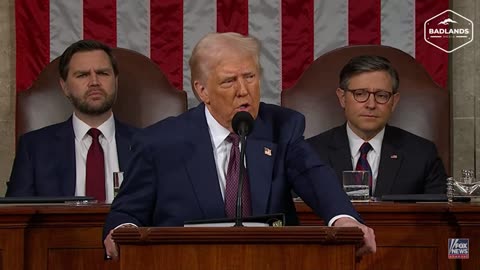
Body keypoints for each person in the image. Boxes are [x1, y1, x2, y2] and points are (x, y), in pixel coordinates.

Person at [103, 32, 376, 259]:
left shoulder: (282, 126)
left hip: (271, 263)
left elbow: (314, 176)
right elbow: (126, 212)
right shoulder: (158, 142)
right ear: (202, 91)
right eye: (229, 81)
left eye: (250, 77)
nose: (243, 90)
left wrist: (345, 220)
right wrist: (123, 235)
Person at [6, 40, 138, 203]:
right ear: (65, 87)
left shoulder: (146, 145)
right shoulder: (34, 148)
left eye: (103, 73)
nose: (94, 82)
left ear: (116, 81)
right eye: (82, 75)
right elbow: (16, 221)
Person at [307, 55, 447, 197]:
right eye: (360, 94)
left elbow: (437, 214)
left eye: (381, 95)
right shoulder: (310, 152)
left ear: (394, 101)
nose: (371, 105)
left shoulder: (422, 154)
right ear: (342, 98)